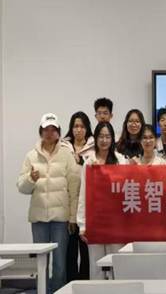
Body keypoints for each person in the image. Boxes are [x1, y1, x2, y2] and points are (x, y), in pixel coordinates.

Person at [17, 113, 80, 293]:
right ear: (41, 131)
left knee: (60, 264)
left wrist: (72, 218)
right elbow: (21, 187)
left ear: (59, 132)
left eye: (53, 129)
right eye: (46, 129)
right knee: (41, 264)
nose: (50, 133)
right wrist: (30, 179)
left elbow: (74, 189)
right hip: (39, 220)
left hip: (61, 220)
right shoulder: (31, 156)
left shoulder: (67, 155)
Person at [77, 122, 127, 280]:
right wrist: (82, 225)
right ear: (95, 138)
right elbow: (83, 194)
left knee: (116, 264)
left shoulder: (120, 160)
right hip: (95, 220)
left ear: (112, 139)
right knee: (96, 265)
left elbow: (124, 190)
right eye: (101, 136)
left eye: (107, 137)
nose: (104, 140)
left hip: (116, 221)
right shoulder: (89, 162)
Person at [63, 111, 94, 281]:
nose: (78, 129)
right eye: (75, 126)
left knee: (86, 251)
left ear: (87, 128)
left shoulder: (94, 147)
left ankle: (85, 285)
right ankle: (70, 285)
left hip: (88, 207)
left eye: (82, 126)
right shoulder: (63, 147)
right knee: (70, 252)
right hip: (68, 207)